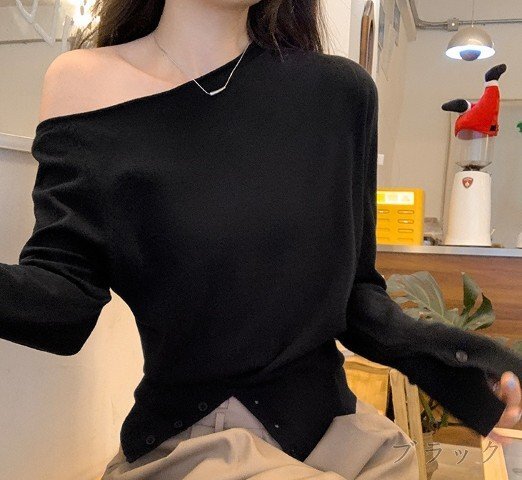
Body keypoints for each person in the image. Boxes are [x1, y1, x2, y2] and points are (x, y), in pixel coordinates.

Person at [2, 1, 521, 479]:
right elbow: (65, 302)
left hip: (345, 439)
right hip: (195, 445)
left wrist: (470, 369)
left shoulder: (341, 94)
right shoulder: (83, 83)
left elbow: (357, 298)